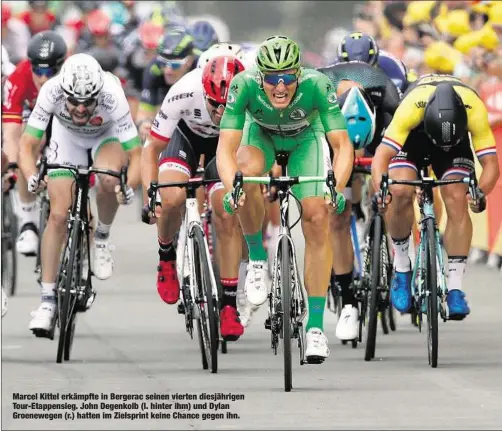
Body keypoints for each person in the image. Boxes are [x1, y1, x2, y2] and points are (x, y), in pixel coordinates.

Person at [216, 35, 354, 362]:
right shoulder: (243, 85)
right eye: (272, 79)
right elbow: (225, 149)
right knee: (246, 174)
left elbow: (343, 146)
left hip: (306, 140)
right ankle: (257, 259)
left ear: (299, 74)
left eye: (288, 78)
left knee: (318, 215)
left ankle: (316, 328)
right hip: (260, 137)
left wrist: (336, 187)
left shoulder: (318, 86)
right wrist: (231, 186)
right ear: (259, 76)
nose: (280, 87)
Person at [18, 53, 141, 336]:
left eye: (88, 102)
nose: (81, 108)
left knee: (109, 179)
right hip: (67, 138)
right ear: (64, 92)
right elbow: (28, 143)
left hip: (105, 137)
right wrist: (31, 176)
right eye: (74, 101)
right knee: (59, 215)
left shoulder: (112, 95)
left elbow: (136, 153)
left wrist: (128, 187)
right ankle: (47, 302)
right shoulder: (51, 90)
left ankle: (101, 238)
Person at [372, 75, 500, 320]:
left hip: (456, 145)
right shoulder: (410, 108)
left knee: (457, 195)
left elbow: (491, 165)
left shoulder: (474, 107)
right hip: (414, 139)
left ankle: (455, 287)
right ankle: (401, 267)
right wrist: (381, 190)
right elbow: (381, 157)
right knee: (399, 190)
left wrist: (480, 192)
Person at [141, 55, 246, 341]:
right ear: (204, 92)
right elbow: (151, 149)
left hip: (223, 146)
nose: (220, 112)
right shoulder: (184, 90)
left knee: (226, 213)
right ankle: (166, 256)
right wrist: (151, 196)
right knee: (171, 199)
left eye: (228, 106)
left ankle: (228, 305)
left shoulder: (250, 95)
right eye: (214, 104)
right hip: (184, 137)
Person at [317, 58, 401, 341]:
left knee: (391, 191)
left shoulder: (384, 92)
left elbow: (406, 144)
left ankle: (389, 248)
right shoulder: (318, 91)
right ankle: (349, 302)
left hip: (378, 139)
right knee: (336, 211)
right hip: (333, 141)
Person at [2, 30, 67, 257]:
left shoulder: (72, 75)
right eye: (37, 70)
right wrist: (12, 166)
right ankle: (28, 223)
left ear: (61, 66)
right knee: (26, 146)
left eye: (49, 71)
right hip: (33, 116)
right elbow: (11, 132)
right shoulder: (18, 78)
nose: (42, 77)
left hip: (64, 117)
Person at [135, 28, 199, 142]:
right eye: (163, 63)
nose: (168, 71)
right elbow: (144, 112)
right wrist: (143, 124)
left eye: (174, 65)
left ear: (189, 61)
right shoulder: (154, 68)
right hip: (167, 94)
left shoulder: (200, 68)